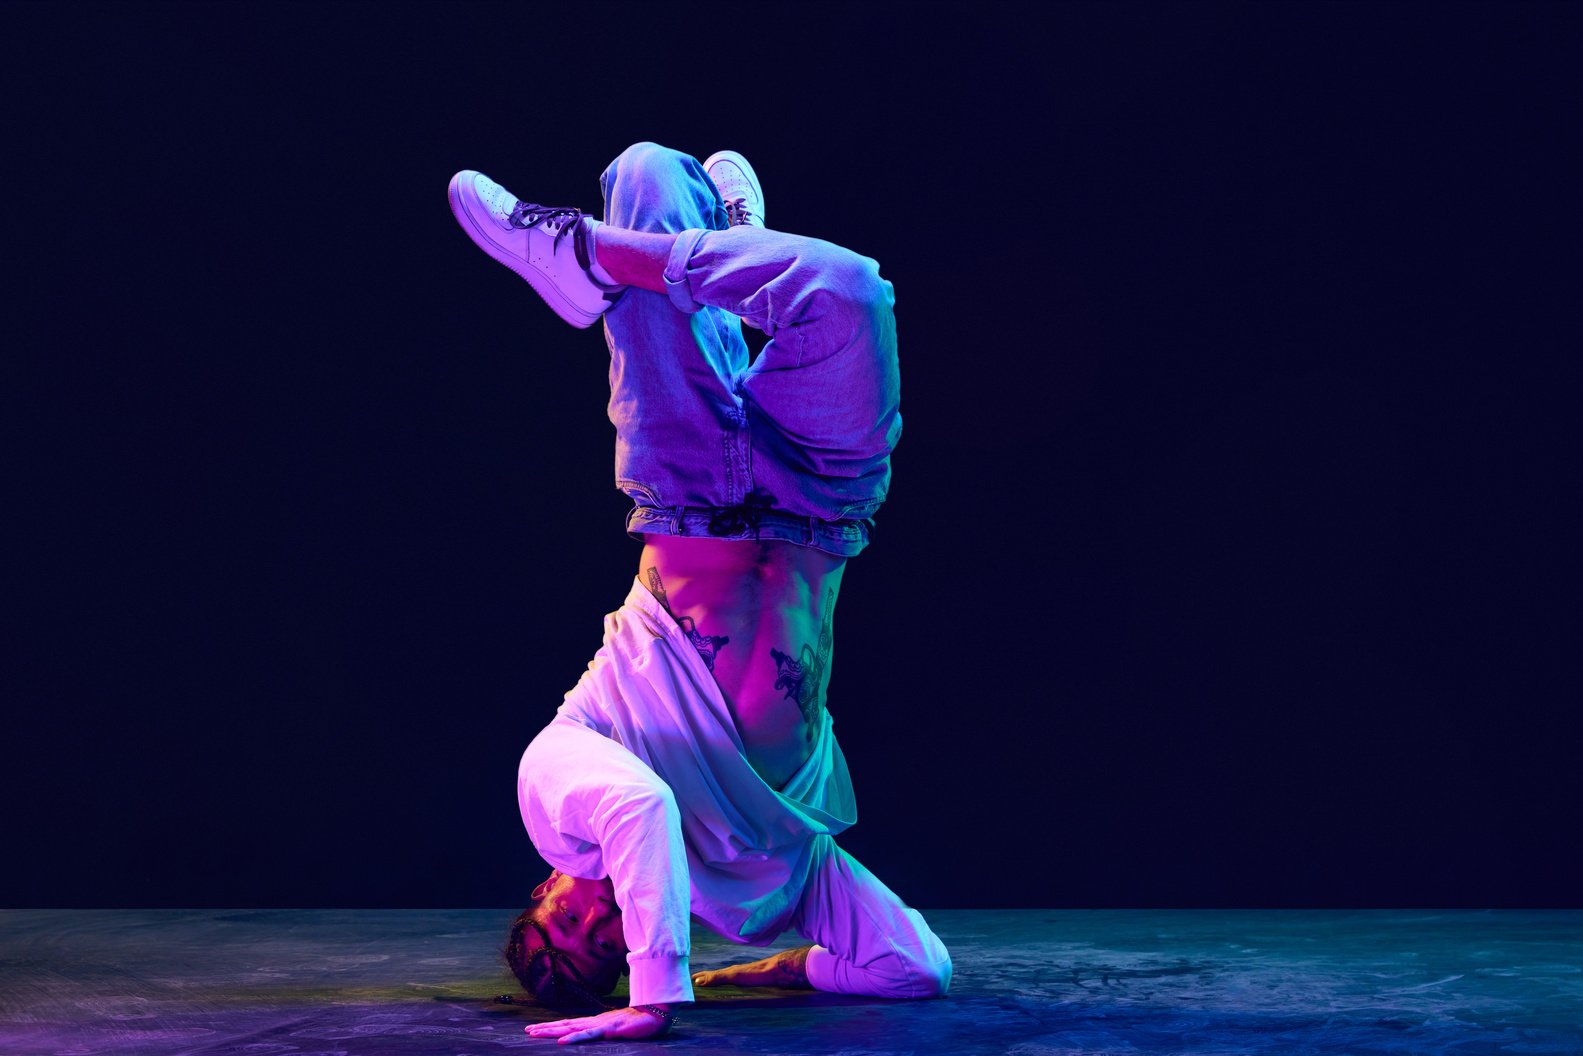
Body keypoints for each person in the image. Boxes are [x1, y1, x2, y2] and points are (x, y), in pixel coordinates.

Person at [448, 142, 951, 1045]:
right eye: (606, 946)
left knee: (645, 172)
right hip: (823, 500)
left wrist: (656, 995)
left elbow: (638, 811)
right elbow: (911, 966)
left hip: (686, 491)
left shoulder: (552, 786)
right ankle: (695, 248)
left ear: (546, 886)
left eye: (570, 920)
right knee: (849, 295)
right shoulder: (756, 889)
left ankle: (588, 256)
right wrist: (770, 969)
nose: (602, 921)